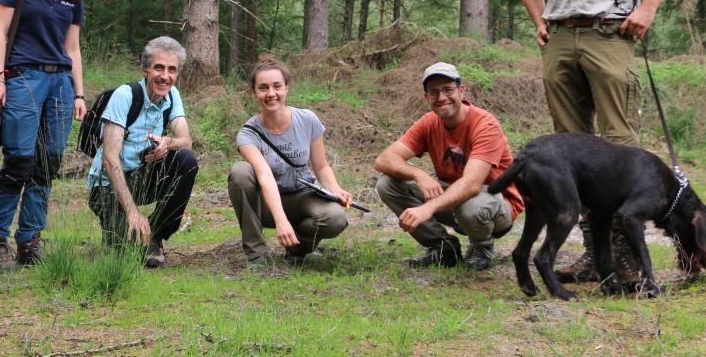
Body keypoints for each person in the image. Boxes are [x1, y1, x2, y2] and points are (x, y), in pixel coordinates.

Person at [515, 0, 686, 284]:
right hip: (559, 39)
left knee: (620, 147)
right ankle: (596, 258)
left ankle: (627, 261)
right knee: (572, 157)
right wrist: (538, 20)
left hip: (611, 35)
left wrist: (646, 9)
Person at [0, 0, 91, 268]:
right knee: (19, 160)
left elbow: (72, 48)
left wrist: (79, 94)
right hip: (23, 78)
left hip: (60, 84)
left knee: (47, 164)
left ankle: (30, 240)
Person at [373, 63, 524, 271]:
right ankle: (442, 248)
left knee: (471, 206)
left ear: (461, 91)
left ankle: (481, 247)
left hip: (496, 205)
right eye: (434, 92)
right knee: (387, 183)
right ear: (427, 98)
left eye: (448, 89)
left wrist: (428, 207)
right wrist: (418, 174)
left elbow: (471, 184)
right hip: (457, 202)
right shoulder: (429, 123)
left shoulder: (485, 125)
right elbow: (384, 159)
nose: (441, 97)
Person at [86, 36, 199, 268]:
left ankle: (156, 235)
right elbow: (109, 159)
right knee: (126, 253)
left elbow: (185, 140)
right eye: (158, 67)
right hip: (107, 186)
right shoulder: (125, 96)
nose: (165, 76)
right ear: (145, 70)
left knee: (186, 161)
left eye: (171, 70)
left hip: (141, 178)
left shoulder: (172, 95)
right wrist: (133, 213)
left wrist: (167, 142)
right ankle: (121, 231)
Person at [228, 59, 351, 270]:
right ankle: (256, 255)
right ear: (254, 93)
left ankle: (297, 249)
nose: (271, 93)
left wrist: (336, 189)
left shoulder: (308, 119)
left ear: (286, 88)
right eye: (263, 88)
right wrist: (280, 220)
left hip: (303, 194)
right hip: (266, 203)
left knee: (336, 218)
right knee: (240, 172)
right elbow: (264, 175)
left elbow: (321, 166)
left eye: (277, 86)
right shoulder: (248, 134)